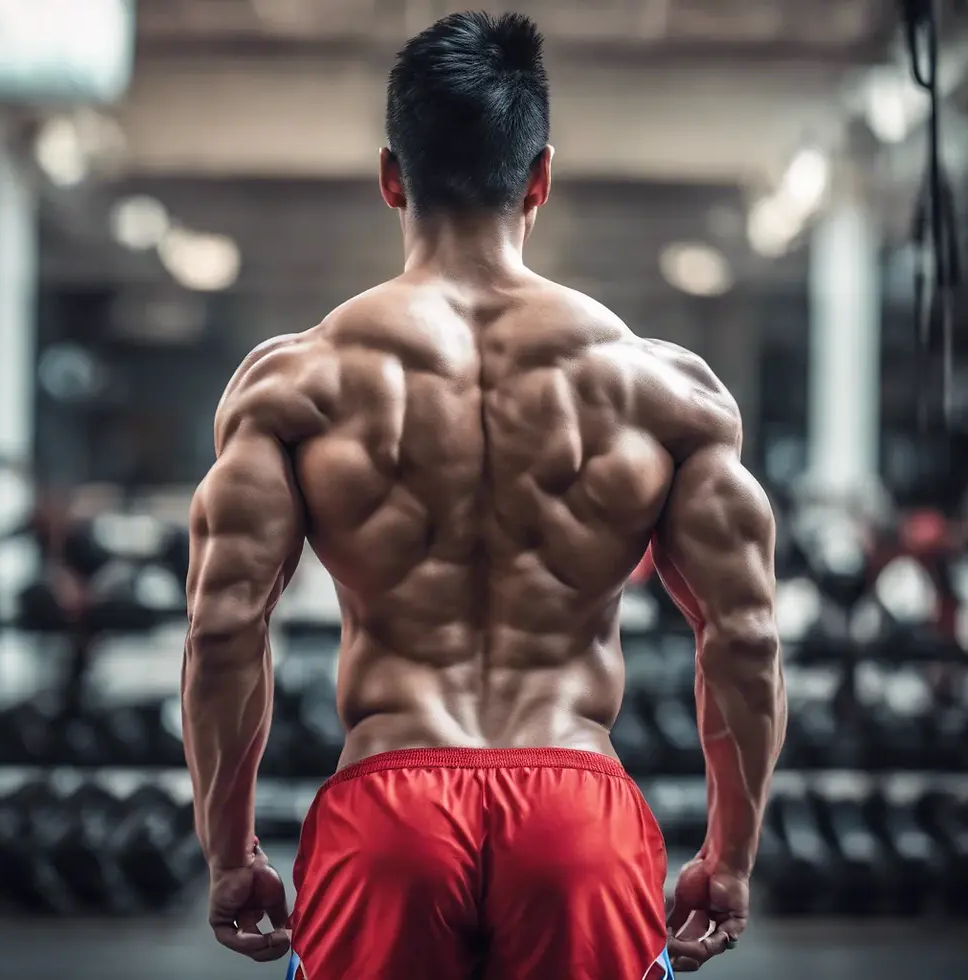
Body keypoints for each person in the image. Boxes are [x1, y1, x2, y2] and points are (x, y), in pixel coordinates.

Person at [181, 11, 786, 980]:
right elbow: (744, 637)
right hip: (576, 817)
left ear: (390, 176)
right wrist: (728, 856)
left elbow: (220, 628)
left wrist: (228, 851)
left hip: (386, 815)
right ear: (539, 175)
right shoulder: (662, 390)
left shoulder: (294, 383)